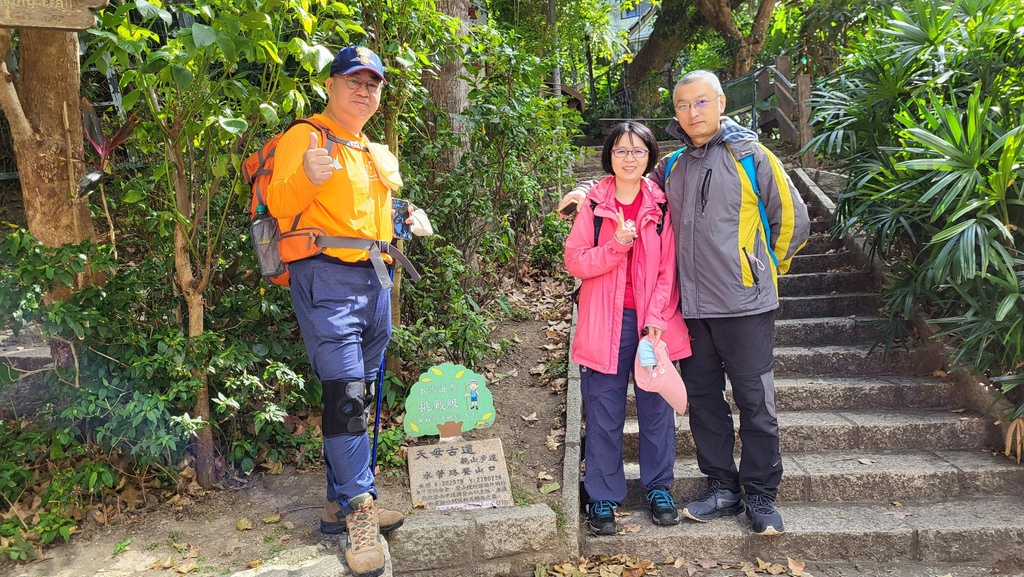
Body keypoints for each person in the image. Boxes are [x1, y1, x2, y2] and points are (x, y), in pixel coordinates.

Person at [559, 70, 810, 536]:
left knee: (755, 402)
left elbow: (792, 221)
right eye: (682, 105)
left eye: (700, 102)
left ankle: (759, 493)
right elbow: (624, 179)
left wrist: (761, 271)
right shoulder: (672, 167)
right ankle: (721, 486)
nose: (692, 113)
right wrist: (583, 194)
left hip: (743, 306)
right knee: (704, 403)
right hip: (689, 312)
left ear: (720, 103)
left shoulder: (752, 155)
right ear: (674, 112)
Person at [266, 45, 426, 577]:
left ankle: (342, 499)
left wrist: (406, 217)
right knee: (345, 392)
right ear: (330, 85)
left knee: (363, 390)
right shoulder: (304, 137)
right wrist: (306, 176)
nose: (365, 90)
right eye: (354, 80)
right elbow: (280, 206)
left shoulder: (371, 150)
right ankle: (361, 510)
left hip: (375, 279)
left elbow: (370, 215)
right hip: (325, 278)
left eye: (374, 84)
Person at [565, 121, 692, 536]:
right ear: (609, 156)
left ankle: (659, 489)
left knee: (656, 411)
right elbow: (577, 262)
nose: (629, 158)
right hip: (604, 323)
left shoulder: (660, 206)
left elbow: (668, 270)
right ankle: (602, 494)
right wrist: (617, 244)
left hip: (653, 324)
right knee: (603, 411)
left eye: (638, 151)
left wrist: (656, 318)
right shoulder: (594, 205)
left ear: (650, 156)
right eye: (621, 151)